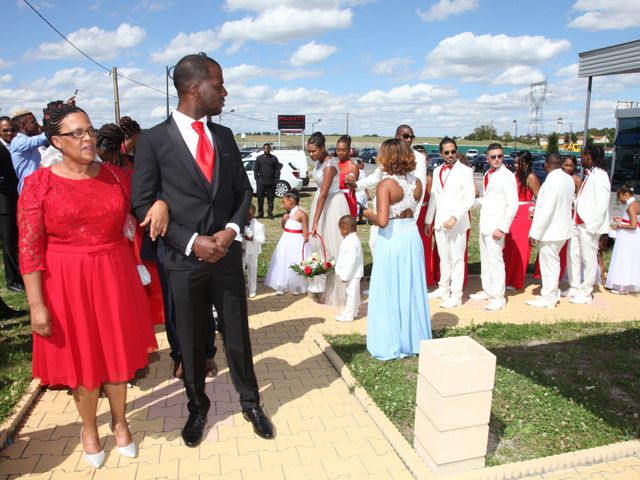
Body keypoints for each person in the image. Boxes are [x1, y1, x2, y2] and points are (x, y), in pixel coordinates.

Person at [132, 53, 274, 446]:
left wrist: (230, 230)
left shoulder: (224, 137)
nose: (225, 92)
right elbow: (142, 203)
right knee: (192, 340)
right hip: (183, 260)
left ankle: (251, 403)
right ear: (194, 88)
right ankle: (198, 406)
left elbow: (242, 192)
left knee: (237, 334)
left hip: (226, 255)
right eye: (219, 84)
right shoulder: (154, 140)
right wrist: (193, 241)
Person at [18, 104, 163, 468]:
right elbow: (29, 250)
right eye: (76, 133)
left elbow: (148, 201)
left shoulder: (117, 177)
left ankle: (119, 420)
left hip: (114, 275)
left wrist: (160, 202)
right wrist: (37, 306)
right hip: (65, 283)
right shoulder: (39, 184)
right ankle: (88, 428)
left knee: (116, 354)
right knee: (83, 360)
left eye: (90, 130)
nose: (88, 138)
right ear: (56, 141)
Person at [363, 139, 431, 360]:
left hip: (392, 238)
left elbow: (382, 221)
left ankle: (390, 339)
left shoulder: (386, 185)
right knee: (410, 287)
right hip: (411, 236)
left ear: (387, 158)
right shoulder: (417, 183)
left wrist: (365, 213)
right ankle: (412, 338)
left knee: (389, 287)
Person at [425, 137, 475, 308]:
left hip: (458, 223)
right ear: (441, 153)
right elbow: (434, 197)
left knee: (457, 259)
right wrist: (428, 221)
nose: (450, 155)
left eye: (453, 151)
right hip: (439, 222)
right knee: (443, 257)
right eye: (446, 152)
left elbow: (469, 198)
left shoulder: (465, 171)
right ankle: (443, 288)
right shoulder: (437, 170)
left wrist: (455, 217)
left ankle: (456, 295)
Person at [470, 143, 518, 311]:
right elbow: (489, 199)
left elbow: (513, 205)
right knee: (486, 261)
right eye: (493, 157)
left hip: (497, 226)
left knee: (496, 262)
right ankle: (488, 290)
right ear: (487, 158)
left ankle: (499, 297)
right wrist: (471, 203)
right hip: (485, 224)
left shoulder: (507, 176)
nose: (497, 159)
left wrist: (502, 227)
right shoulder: (487, 174)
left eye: (500, 156)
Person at [563, 145, 611, 304]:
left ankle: (586, 292)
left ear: (589, 156)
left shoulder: (601, 175)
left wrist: (592, 226)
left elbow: (602, 204)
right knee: (573, 255)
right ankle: (575, 286)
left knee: (589, 259)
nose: (580, 158)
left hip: (588, 225)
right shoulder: (591, 174)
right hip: (577, 222)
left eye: (582, 154)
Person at [307, 131, 350, 307]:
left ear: (322, 148)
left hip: (331, 205)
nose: (311, 155)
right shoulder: (320, 162)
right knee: (319, 247)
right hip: (320, 202)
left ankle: (336, 292)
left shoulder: (330, 166)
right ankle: (320, 287)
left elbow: (324, 194)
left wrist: (316, 221)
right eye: (309, 152)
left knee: (333, 248)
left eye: (313, 151)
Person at [526, 154, 575, 308]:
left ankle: (548, 297)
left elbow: (546, 211)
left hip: (551, 230)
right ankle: (552, 293)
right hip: (563, 229)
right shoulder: (568, 179)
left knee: (549, 265)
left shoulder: (550, 182)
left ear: (547, 165)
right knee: (554, 263)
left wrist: (535, 233)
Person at [504, 151, 540, 291]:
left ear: (527, 163)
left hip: (525, 214)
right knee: (508, 248)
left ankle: (516, 281)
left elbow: (539, 198)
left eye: (519, 162)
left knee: (521, 248)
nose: (515, 165)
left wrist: (534, 212)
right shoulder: (513, 176)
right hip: (511, 212)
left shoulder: (531, 177)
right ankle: (506, 278)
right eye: (515, 162)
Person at [265, 190, 308, 295]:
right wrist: (283, 220)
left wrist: (305, 239)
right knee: (283, 261)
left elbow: (305, 229)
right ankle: (282, 284)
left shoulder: (301, 214)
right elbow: (284, 227)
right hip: (286, 241)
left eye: (284, 202)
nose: (283, 205)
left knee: (295, 261)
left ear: (291, 201)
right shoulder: (286, 214)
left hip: (297, 242)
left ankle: (296, 285)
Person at [0, 118, 22, 293]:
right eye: (5, 130)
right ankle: (12, 280)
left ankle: (18, 277)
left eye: (12, 130)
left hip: (16, 201)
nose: (9, 133)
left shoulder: (12, 146)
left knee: (16, 242)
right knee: (9, 243)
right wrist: (19, 191)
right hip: (5, 204)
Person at [605, 183, 640, 294]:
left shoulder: (630, 206)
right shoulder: (635, 203)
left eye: (619, 196)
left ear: (625, 194)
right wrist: (622, 219)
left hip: (629, 237)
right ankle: (624, 284)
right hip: (631, 236)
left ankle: (622, 286)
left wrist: (619, 225)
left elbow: (633, 225)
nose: (619, 200)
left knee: (624, 258)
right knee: (628, 259)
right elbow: (632, 220)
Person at [10, 109, 48, 193]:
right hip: (29, 190)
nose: (37, 124)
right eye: (33, 122)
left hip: (36, 187)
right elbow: (40, 139)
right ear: (23, 125)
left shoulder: (26, 141)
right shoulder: (18, 141)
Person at [334, 215, 363, 322]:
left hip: (352, 274)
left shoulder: (352, 242)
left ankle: (349, 315)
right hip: (351, 274)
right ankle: (352, 310)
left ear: (345, 229)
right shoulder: (350, 239)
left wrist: (345, 275)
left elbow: (352, 260)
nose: (340, 232)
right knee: (352, 293)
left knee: (351, 294)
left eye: (340, 229)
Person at [253, 143, 280, 219]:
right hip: (261, 182)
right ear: (263, 149)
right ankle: (260, 213)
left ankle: (270, 213)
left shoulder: (274, 158)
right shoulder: (259, 158)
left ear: (270, 149)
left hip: (271, 182)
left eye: (268, 148)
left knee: (270, 199)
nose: (267, 150)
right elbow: (255, 169)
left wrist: (276, 179)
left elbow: (277, 169)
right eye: (265, 148)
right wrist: (257, 179)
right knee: (260, 198)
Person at [243, 204, 265, 298]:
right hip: (242, 250)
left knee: (252, 271)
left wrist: (252, 238)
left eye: (249, 214)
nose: (247, 216)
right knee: (240, 270)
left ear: (253, 214)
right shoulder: (241, 223)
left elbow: (262, 239)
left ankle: (252, 290)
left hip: (253, 251)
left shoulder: (259, 226)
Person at [335, 135, 359, 218]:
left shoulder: (353, 167)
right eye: (338, 150)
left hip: (348, 201)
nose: (340, 153)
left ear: (349, 151)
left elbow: (353, 187)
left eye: (343, 150)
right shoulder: (335, 165)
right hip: (335, 201)